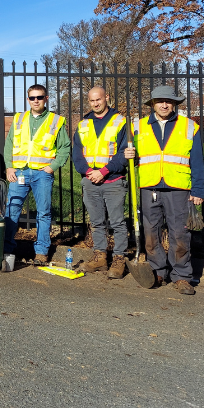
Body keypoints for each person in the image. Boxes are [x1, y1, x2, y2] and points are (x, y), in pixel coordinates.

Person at [125, 85, 204, 295]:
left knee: (180, 233)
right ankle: (157, 271)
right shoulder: (138, 126)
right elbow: (126, 152)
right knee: (151, 233)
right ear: (152, 104)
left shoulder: (189, 127)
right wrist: (128, 153)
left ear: (175, 104)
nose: (164, 104)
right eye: (160, 101)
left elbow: (197, 161)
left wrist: (198, 190)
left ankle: (181, 276)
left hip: (178, 187)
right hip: (148, 185)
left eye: (169, 101)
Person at [3, 84, 71, 265]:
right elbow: (9, 144)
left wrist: (53, 166)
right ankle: (6, 248)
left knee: (43, 213)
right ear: (28, 99)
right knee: (11, 210)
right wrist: (9, 167)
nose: (35, 101)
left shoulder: (56, 120)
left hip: (42, 174)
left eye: (39, 97)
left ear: (46, 98)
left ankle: (41, 252)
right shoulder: (19, 118)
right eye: (32, 98)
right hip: (19, 172)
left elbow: (65, 147)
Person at [73, 87, 129, 278]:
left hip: (113, 179)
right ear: (88, 102)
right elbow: (77, 155)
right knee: (96, 222)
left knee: (118, 222)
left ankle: (119, 258)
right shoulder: (83, 125)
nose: (96, 103)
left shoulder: (120, 122)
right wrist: (89, 172)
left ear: (107, 98)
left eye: (99, 99)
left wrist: (104, 171)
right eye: (92, 101)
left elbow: (124, 154)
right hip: (90, 180)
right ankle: (100, 257)